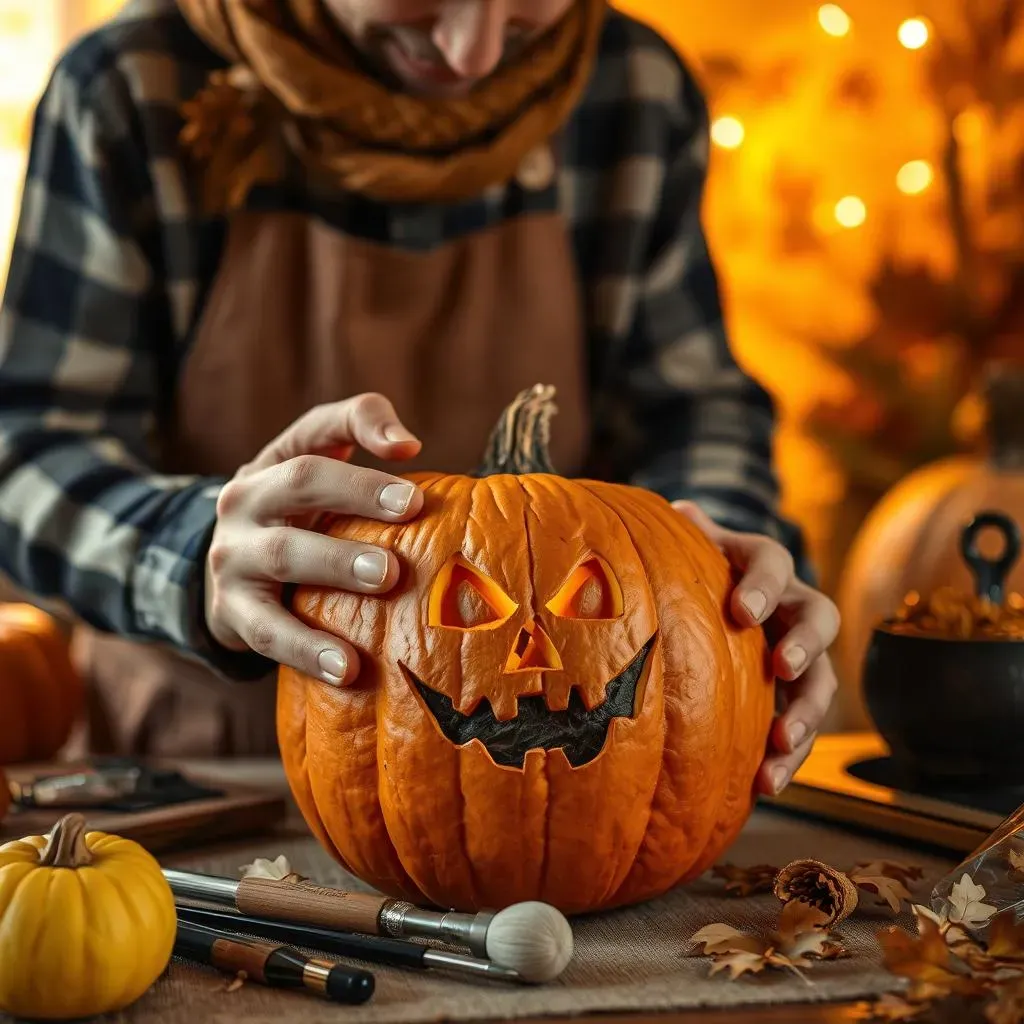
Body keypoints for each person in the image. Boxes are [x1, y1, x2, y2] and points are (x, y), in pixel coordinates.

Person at [0, 0, 839, 794]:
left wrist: (724, 582)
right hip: (195, 775)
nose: (469, 52)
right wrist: (189, 555)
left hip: (569, 787)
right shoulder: (130, 87)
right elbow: (25, 450)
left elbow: (691, 410)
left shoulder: (633, 91)